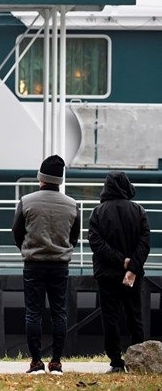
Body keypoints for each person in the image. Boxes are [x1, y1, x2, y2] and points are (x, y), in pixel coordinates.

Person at [12, 155, 79, 375]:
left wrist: (28, 248)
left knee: (34, 313)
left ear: (41, 177)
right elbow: (74, 237)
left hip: (33, 264)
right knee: (59, 313)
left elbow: (17, 232)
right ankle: (57, 363)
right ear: (59, 179)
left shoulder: (27, 201)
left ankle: (36, 363)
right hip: (60, 265)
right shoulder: (72, 205)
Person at [89, 171, 150, 373]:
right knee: (135, 316)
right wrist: (132, 267)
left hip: (107, 275)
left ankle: (116, 362)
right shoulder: (139, 211)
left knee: (110, 317)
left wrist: (120, 261)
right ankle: (139, 359)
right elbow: (144, 243)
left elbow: (97, 244)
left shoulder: (98, 212)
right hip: (132, 276)